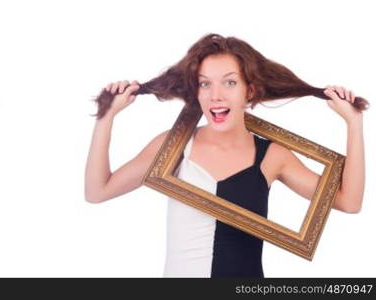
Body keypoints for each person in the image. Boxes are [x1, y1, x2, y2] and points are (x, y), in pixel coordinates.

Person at [84, 34, 366, 277]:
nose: (215, 95)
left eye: (229, 83)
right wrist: (106, 117)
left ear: (249, 90)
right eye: (205, 83)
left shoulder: (272, 156)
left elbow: (348, 201)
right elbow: (98, 191)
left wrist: (354, 124)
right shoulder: (173, 148)